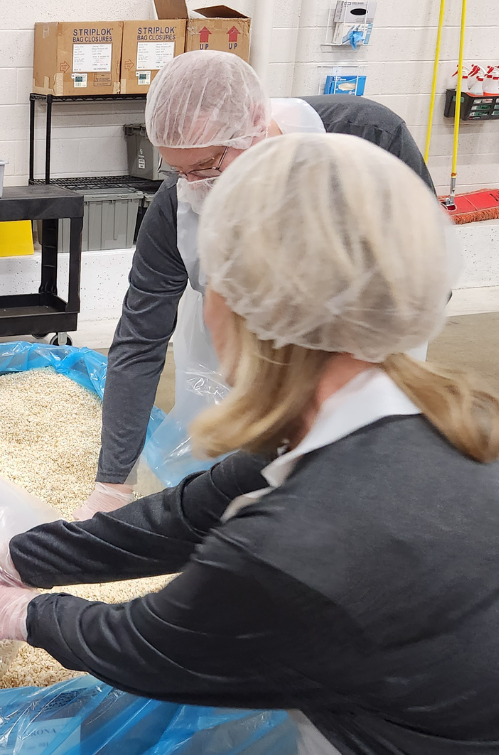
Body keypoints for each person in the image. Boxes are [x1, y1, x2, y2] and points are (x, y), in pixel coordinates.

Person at [0, 134, 499, 754]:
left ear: (235, 302)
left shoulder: (300, 542)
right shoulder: (435, 425)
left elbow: (153, 646)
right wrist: (27, 556)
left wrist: (29, 615)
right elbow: (180, 518)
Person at [80, 49, 440, 520]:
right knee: (239, 477)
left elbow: (423, 268)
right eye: (178, 171)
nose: (192, 184)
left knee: (355, 482)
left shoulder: (366, 137)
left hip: (364, 344)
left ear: (254, 121)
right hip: (236, 353)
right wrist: (112, 483)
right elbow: (139, 340)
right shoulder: (179, 204)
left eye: (207, 166)